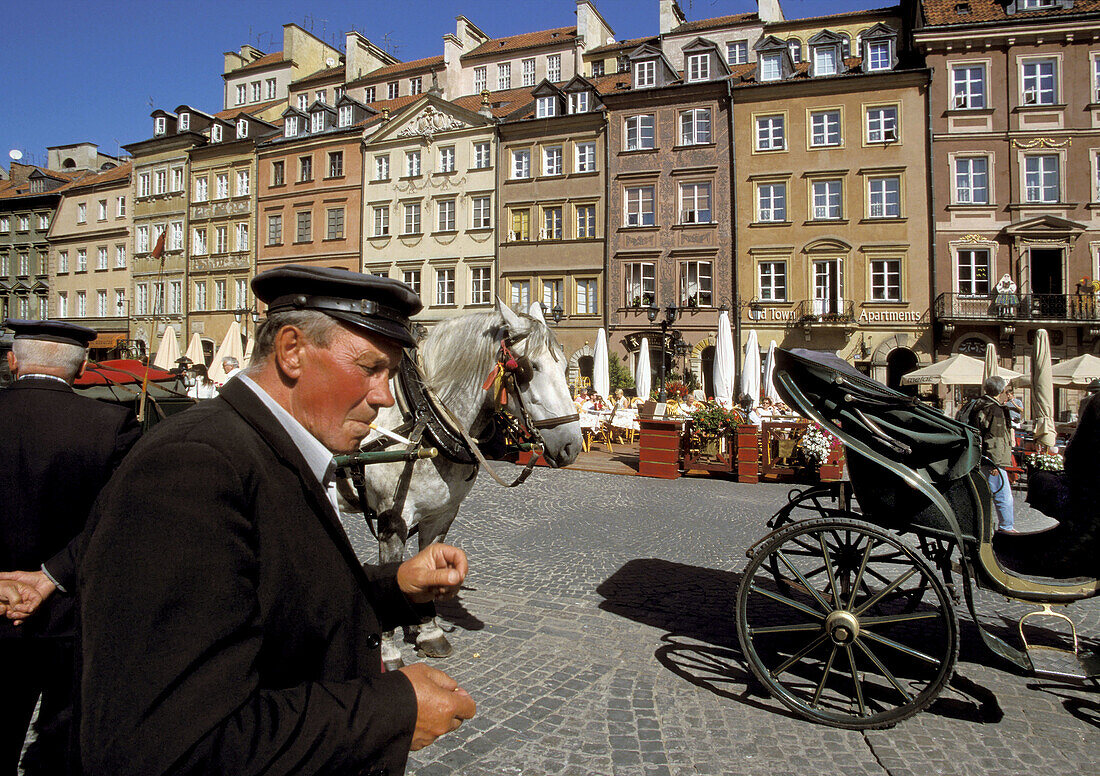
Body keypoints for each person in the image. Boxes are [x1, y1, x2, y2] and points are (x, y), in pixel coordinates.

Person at [79, 266, 476, 776]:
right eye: (371, 368)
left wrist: (392, 586)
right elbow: (168, 745)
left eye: (390, 375)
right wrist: (391, 712)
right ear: (292, 350)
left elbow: (272, 602)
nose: (382, 397)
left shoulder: (271, 445)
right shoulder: (193, 468)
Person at [0, 319, 141, 775]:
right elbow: (124, 521)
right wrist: (52, 574)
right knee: (64, 748)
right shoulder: (112, 423)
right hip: (72, 615)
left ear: (12, 361)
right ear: (81, 368)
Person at [971, 375, 1016, 534]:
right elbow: (995, 438)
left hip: (979, 457)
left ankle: (985, 527)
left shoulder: (977, 404)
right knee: (1003, 495)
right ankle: (1006, 528)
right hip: (992, 460)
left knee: (985, 495)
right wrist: (995, 463)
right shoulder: (995, 409)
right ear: (1002, 390)